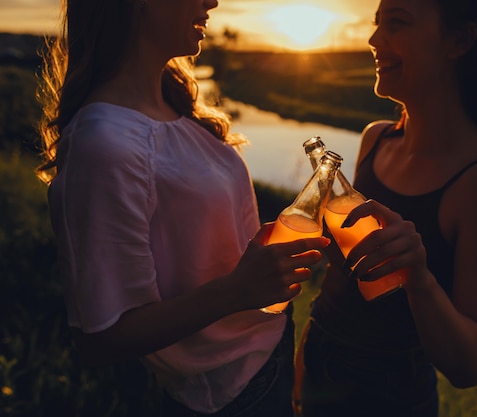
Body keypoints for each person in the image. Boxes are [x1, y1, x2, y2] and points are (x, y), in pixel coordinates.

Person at [35, 0, 330, 416]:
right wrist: (238, 290)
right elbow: (101, 339)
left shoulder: (172, 108)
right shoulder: (103, 143)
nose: (211, 1)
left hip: (269, 354)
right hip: (226, 394)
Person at [298, 0, 477, 416]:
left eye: (396, 24)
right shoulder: (376, 139)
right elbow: (346, 277)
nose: (373, 40)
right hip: (318, 359)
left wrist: (419, 279)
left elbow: (471, 363)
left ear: (459, 40)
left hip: (388, 397)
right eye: (376, 24)